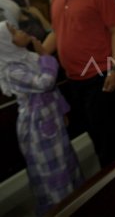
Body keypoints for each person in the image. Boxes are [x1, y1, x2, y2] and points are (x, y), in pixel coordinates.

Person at [43, 0, 115, 168]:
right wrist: (32, 51)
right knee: (92, 133)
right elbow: (56, 33)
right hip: (73, 78)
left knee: (106, 138)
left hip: (99, 77)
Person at [0, 21, 83, 216]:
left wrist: (62, 110)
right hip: (37, 127)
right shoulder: (10, 70)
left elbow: (52, 90)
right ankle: (60, 208)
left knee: (64, 160)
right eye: (14, 32)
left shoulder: (27, 57)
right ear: (5, 42)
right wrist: (45, 55)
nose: (20, 31)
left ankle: (75, 202)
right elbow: (45, 83)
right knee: (50, 171)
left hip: (51, 117)